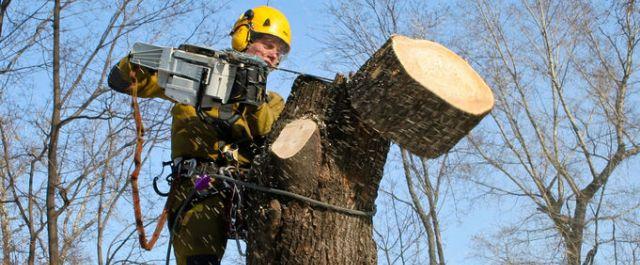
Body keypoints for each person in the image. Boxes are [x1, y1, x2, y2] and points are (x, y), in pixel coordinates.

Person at [107, 6, 291, 265]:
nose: (274, 56)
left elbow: (270, 135)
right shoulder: (196, 82)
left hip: (250, 191)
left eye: (279, 52)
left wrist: (251, 98)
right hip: (201, 187)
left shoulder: (272, 102)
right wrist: (145, 59)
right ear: (243, 37)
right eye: (269, 45)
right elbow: (124, 81)